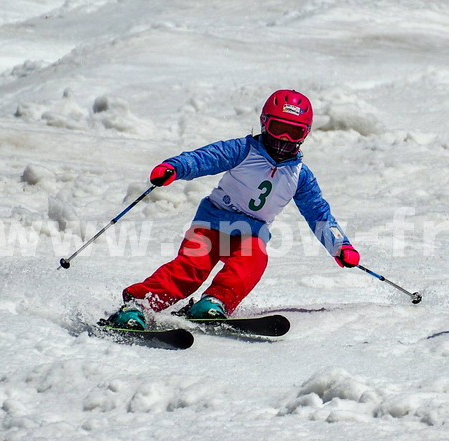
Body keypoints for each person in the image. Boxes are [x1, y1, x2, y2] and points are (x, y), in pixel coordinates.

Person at [106, 89, 359, 328]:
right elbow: (205, 157)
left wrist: (340, 247)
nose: (283, 139)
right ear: (264, 124)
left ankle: (215, 303)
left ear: (305, 134)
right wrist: (175, 167)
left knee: (251, 263)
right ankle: (139, 305)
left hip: (251, 234)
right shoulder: (243, 150)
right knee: (190, 269)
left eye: (293, 133)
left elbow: (319, 214)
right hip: (211, 224)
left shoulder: (300, 176)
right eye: (278, 129)